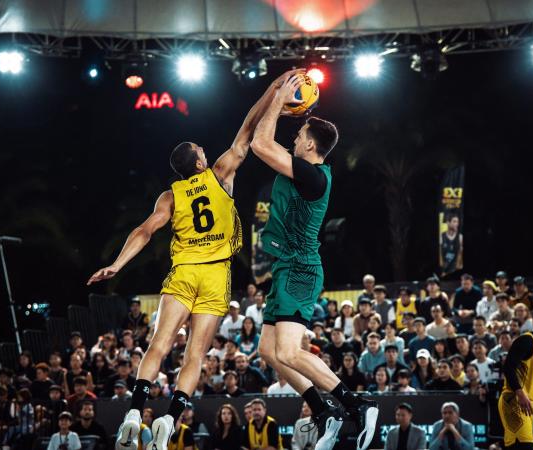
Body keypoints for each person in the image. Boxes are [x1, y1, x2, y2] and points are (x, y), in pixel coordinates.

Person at [88, 71, 293, 450]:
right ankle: (169, 418)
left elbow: (144, 231)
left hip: (183, 273)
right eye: (200, 149)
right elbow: (249, 125)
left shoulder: (170, 196)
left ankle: (135, 411)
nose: (204, 150)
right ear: (198, 162)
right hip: (216, 277)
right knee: (195, 355)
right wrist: (276, 91)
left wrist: (117, 264)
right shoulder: (221, 173)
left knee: (159, 344)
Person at [251, 73, 377, 450]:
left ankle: (356, 404)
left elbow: (260, 142)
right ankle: (324, 412)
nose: (293, 137)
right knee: (269, 352)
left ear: (309, 142)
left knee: (289, 351)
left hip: (301, 269)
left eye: (299, 132)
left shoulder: (314, 176)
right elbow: (266, 140)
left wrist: (280, 98)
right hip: (287, 267)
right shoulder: (301, 170)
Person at [498, 303, 533, 450]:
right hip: (515, 399)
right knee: (526, 447)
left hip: (528, 401)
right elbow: (508, 367)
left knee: (514, 446)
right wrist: (520, 392)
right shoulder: (526, 340)